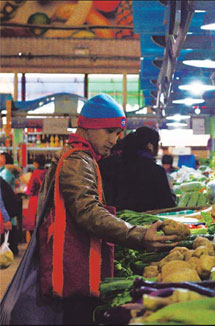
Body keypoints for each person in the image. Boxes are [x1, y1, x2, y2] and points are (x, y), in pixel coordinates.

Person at [1, 94, 178, 325]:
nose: (114, 140)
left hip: (74, 266)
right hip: (76, 269)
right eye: (109, 131)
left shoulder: (80, 157)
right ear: (90, 127)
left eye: (117, 133)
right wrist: (139, 234)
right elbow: (88, 212)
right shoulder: (78, 160)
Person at [114, 126, 176, 212]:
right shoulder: (156, 171)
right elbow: (168, 205)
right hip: (150, 223)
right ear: (150, 146)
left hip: (120, 221)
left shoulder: (117, 166)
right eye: (157, 143)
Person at [23, 154, 47, 233]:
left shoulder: (35, 173)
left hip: (35, 201)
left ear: (36, 163)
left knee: (33, 226)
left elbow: (30, 190)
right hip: (45, 201)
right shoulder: (47, 172)